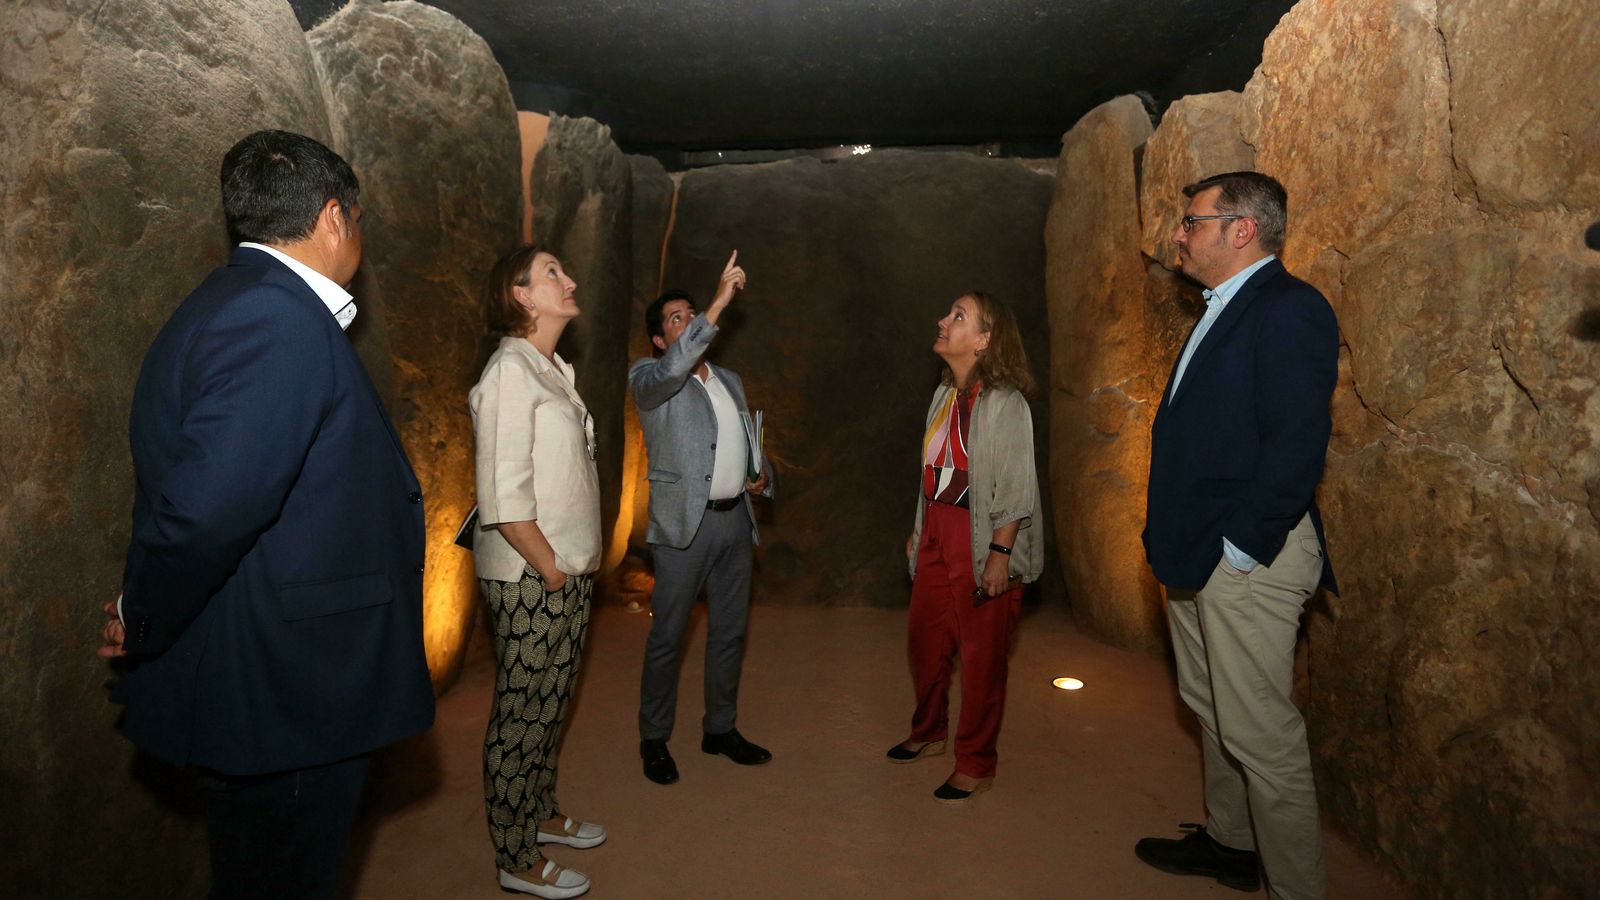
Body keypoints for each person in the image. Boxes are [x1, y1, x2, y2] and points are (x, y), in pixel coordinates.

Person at [97, 129, 434, 899]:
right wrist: (141, 615)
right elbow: (208, 511)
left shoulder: (237, 303)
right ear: (334, 218)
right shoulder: (276, 320)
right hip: (290, 687)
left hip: (275, 671)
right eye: (358, 221)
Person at [1136, 171, 1339, 900]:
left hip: (1247, 557)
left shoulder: (1289, 308)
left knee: (1261, 735)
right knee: (1213, 707)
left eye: (1192, 222)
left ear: (1242, 230)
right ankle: (1231, 842)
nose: (1179, 235)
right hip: (1197, 549)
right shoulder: (1222, 307)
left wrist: (1240, 551)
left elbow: (1296, 445)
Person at [468, 245, 604, 899]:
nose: (568, 280)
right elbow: (503, 493)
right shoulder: (509, 370)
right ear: (521, 295)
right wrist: (549, 569)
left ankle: (540, 811)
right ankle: (515, 853)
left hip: (564, 568)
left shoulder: (551, 369)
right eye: (553, 273)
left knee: (551, 704)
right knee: (522, 713)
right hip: (530, 573)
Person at [887, 291, 1043, 804]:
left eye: (958, 316)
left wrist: (1001, 554)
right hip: (938, 530)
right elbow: (931, 473)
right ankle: (929, 730)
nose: (943, 320)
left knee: (982, 658)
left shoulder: (1006, 403)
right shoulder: (943, 395)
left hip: (983, 538)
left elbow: (1017, 489)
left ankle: (975, 763)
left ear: (984, 341)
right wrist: (920, 529)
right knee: (925, 640)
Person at [631, 251, 775, 785]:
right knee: (668, 636)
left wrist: (761, 476)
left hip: (735, 522)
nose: (690, 321)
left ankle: (720, 728)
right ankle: (653, 739)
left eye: (692, 313)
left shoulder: (729, 379)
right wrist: (717, 303)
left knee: (730, 633)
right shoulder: (650, 377)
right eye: (677, 319)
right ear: (659, 339)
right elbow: (673, 367)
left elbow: (745, 441)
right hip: (682, 528)